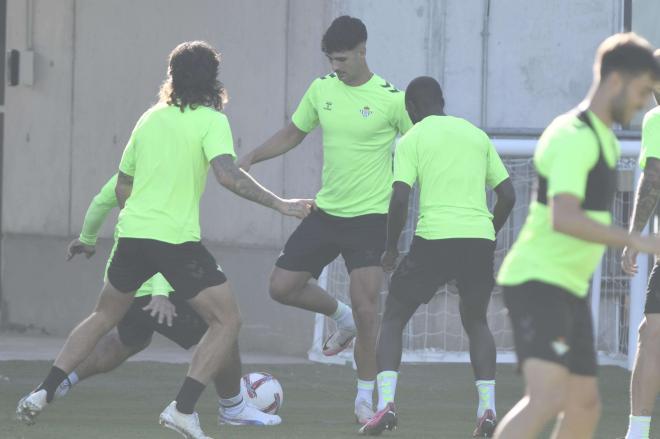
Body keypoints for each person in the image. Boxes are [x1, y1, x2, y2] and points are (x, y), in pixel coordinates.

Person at [16, 41, 311, 439]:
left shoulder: (149, 118)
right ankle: (184, 409)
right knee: (227, 320)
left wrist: (130, 222)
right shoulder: (211, 120)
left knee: (104, 317)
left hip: (133, 235)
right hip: (175, 240)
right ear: (213, 80)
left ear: (171, 78)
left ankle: (43, 391)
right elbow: (227, 174)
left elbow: (121, 186)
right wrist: (281, 204)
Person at [239, 16, 412, 423]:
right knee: (281, 286)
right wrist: (250, 158)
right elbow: (293, 133)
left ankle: (364, 399)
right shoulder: (321, 90)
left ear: (362, 50)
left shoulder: (392, 99)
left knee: (369, 308)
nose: (336, 66)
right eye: (331, 60)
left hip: (371, 218)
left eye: (342, 58)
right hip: (327, 211)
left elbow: (421, 144)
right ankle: (340, 317)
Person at [495, 33, 660, 439]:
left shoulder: (605, 138)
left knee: (584, 405)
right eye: (643, 92)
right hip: (537, 281)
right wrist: (637, 239)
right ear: (617, 81)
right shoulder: (571, 134)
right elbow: (563, 217)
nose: (644, 105)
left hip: (568, 287)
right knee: (547, 398)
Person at [358, 76, 515, 437]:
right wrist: (488, 230)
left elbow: (399, 198)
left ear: (412, 109)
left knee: (394, 316)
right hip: (477, 240)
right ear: (442, 101)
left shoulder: (411, 138)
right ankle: (487, 408)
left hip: (435, 240)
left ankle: (385, 405)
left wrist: (391, 247)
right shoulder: (477, 135)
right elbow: (507, 195)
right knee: (476, 322)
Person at [58, 173, 280, 427]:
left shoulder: (125, 175)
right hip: (157, 292)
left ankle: (63, 381)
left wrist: (87, 239)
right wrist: (161, 293)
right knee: (222, 330)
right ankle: (232, 407)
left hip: (123, 284)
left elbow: (99, 202)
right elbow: (160, 248)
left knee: (127, 341)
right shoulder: (169, 181)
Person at [620, 48, 660, 439]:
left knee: (652, 335)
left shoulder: (657, 119)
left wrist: (634, 237)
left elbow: (653, 179)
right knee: (653, 331)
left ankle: (637, 433)